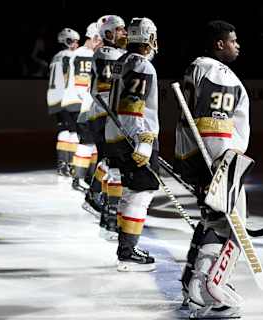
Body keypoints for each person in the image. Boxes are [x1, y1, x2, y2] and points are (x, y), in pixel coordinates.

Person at [174, 20, 250, 319]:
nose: (237, 45)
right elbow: (214, 125)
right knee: (233, 228)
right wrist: (220, 170)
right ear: (219, 44)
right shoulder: (218, 73)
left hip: (195, 157)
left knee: (213, 223)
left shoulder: (196, 67)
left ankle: (193, 290)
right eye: (233, 40)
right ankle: (212, 292)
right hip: (218, 161)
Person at [104, 17, 159, 271]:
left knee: (130, 190)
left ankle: (125, 245)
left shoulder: (121, 61)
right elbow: (131, 106)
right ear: (148, 38)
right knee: (142, 191)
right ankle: (127, 251)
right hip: (132, 136)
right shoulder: (142, 65)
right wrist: (144, 140)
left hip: (115, 134)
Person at [84, 15, 128, 240]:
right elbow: (104, 88)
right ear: (109, 34)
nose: (125, 33)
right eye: (120, 30)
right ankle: (110, 221)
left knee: (111, 163)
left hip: (108, 115)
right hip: (104, 115)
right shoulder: (106, 53)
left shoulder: (119, 54)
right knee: (116, 168)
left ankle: (95, 199)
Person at [62, 22, 103, 192]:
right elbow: (81, 85)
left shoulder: (81, 54)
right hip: (82, 104)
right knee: (87, 143)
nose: (102, 45)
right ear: (94, 38)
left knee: (91, 144)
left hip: (81, 103)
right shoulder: (85, 55)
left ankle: (84, 176)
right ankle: (78, 178)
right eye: (100, 41)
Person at [46, 28, 80, 176]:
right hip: (68, 97)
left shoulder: (56, 57)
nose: (77, 44)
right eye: (74, 41)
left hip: (54, 97)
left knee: (63, 131)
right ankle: (71, 163)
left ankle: (62, 163)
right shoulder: (70, 56)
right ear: (67, 41)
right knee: (73, 132)